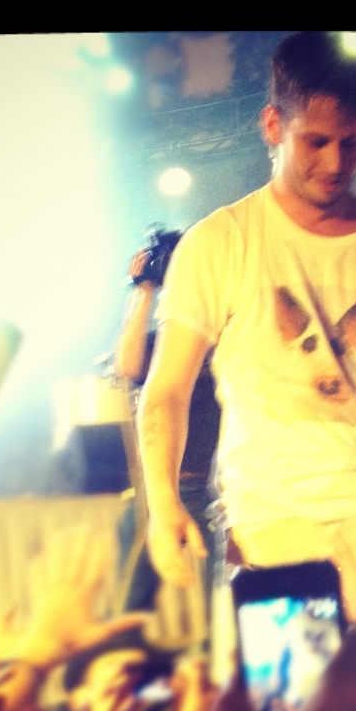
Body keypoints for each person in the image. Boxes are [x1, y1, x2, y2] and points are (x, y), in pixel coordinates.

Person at [137, 31, 356, 622]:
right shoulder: (219, 244)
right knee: (295, 686)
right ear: (273, 125)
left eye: (350, 143)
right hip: (271, 531)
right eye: (316, 141)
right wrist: (163, 503)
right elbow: (167, 390)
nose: (334, 163)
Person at [113, 235, 222, 617]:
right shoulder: (164, 341)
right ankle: (122, 653)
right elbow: (127, 366)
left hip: (215, 487)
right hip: (161, 489)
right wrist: (143, 290)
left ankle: (216, 654)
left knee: (220, 603)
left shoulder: (223, 326)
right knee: (130, 603)